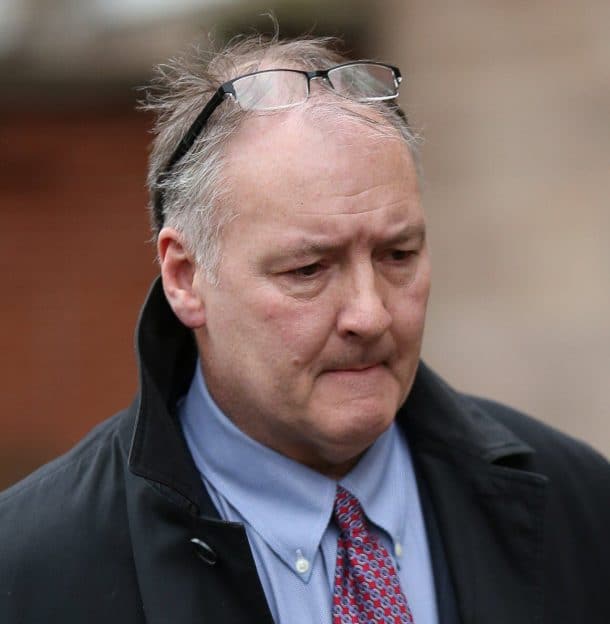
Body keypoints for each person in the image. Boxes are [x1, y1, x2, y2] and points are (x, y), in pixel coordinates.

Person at [1, 34, 609, 624]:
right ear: (185, 277)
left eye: (397, 255)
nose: (369, 315)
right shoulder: (34, 569)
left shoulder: (580, 508)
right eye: (308, 269)